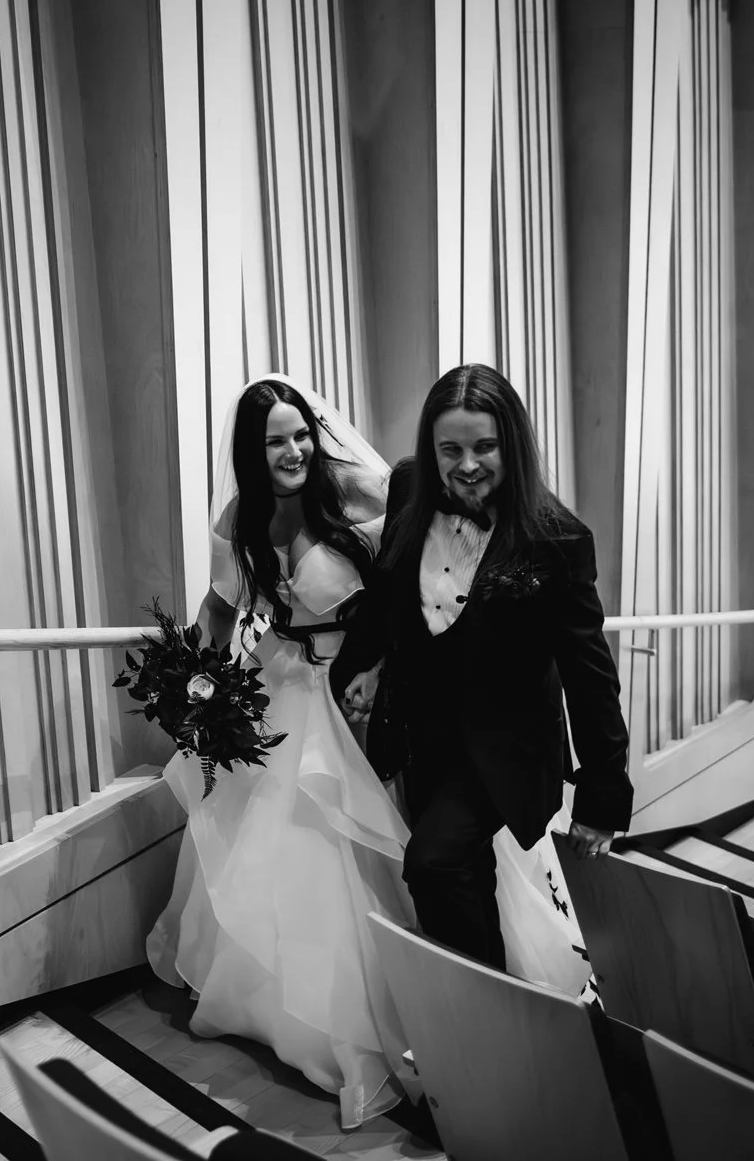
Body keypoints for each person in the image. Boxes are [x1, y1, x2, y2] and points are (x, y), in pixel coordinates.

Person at [146, 374, 589, 1130]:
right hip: (279, 684)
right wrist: (195, 680)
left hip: (353, 693)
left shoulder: (360, 495)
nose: (291, 451)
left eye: (298, 434)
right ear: (249, 456)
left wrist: (386, 669)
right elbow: (220, 606)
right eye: (272, 441)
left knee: (385, 848)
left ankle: (445, 1019)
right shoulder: (239, 519)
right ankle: (295, 1013)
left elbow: (410, 578)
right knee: (281, 852)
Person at [330, 363, 632, 972]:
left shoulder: (558, 540)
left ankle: (480, 1014)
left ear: (511, 445)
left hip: (506, 747)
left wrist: (603, 794)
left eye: (485, 447)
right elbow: (392, 589)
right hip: (421, 735)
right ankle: (494, 1012)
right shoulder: (411, 488)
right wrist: (371, 664)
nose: (467, 464)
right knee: (460, 872)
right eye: (452, 449)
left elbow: (589, 673)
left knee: (432, 861)